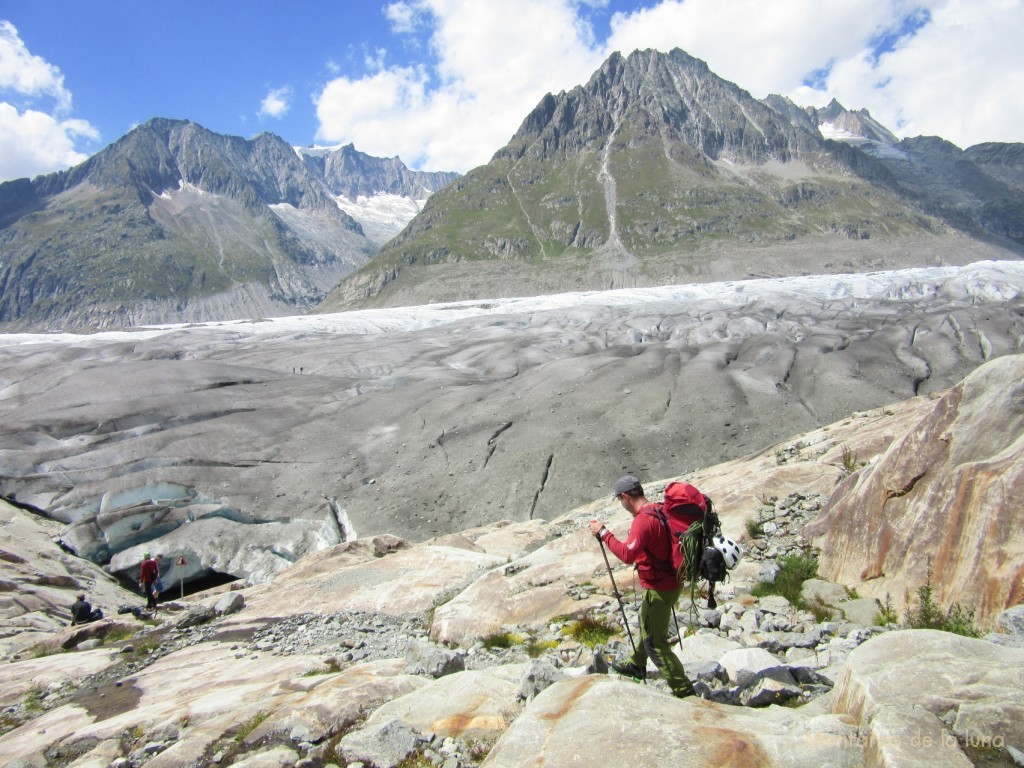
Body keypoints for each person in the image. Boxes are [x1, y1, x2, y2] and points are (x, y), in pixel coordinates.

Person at [589, 475, 696, 698]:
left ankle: (685, 691)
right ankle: (636, 663)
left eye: (620, 500)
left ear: (626, 497)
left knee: (655, 643)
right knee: (646, 620)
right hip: (670, 582)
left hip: (660, 588)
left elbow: (628, 554)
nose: (622, 504)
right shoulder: (659, 509)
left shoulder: (643, 520)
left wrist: (603, 533)